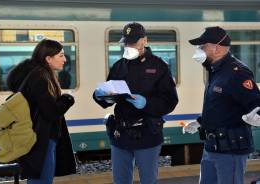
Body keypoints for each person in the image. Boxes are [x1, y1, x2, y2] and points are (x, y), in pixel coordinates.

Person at [93, 22, 178, 184]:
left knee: (148, 180)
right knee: (120, 180)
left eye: (133, 42)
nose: (129, 45)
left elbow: (170, 101)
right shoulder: (119, 66)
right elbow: (110, 95)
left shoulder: (159, 66)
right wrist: (100, 95)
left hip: (147, 132)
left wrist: (146, 103)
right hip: (120, 133)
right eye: (126, 42)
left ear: (145, 41)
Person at [184, 26, 260, 184]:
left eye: (202, 46)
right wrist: (200, 121)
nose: (199, 50)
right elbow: (219, 106)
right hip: (211, 148)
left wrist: (257, 117)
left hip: (230, 151)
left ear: (216, 48)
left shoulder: (237, 73)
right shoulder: (215, 71)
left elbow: (256, 104)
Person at [7, 39, 76, 184]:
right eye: (61, 55)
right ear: (48, 58)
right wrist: (67, 99)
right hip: (41, 140)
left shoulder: (38, 74)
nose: (64, 60)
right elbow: (51, 112)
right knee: (42, 180)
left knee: (39, 179)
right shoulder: (40, 77)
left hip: (38, 137)